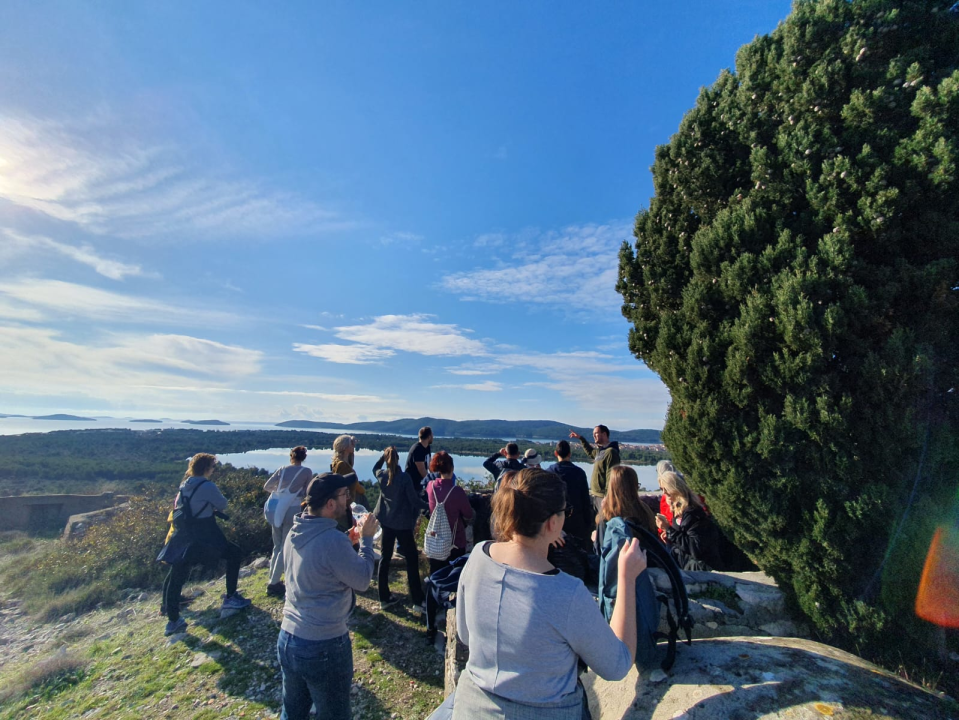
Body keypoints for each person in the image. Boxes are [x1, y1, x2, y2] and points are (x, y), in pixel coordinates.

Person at [450, 468, 647, 719]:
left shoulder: (478, 556)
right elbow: (617, 666)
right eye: (565, 512)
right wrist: (626, 579)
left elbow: (465, 634)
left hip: (472, 706)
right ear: (553, 523)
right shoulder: (566, 593)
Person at [278, 473, 380, 720]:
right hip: (323, 645)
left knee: (292, 712)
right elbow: (363, 580)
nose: (348, 499)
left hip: (289, 638)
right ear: (330, 504)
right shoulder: (331, 541)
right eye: (345, 495)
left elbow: (317, 562)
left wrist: (347, 542)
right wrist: (366, 541)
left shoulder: (295, 532)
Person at [162, 453, 251, 636]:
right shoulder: (207, 485)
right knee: (234, 553)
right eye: (212, 467)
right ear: (206, 468)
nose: (213, 470)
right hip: (206, 533)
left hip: (185, 535)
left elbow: (179, 506)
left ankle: (172, 619)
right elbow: (223, 504)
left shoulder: (184, 485)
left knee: (177, 573)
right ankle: (231, 597)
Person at [372, 446, 429, 610]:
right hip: (403, 524)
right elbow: (414, 501)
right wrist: (431, 505)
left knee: (385, 558)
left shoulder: (381, 475)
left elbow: (375, 468)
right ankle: (417, 601)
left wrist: (382, 458)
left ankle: (384, 598)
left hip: (387, 522)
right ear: (398, 460)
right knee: (411, 561)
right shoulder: (404, 478)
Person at [264, 446, 313, 598]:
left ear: (291, 456)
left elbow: (266, 486)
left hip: (275, 508)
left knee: (277, 545)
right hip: (291, 509)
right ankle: (274, 583)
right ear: (303, 457)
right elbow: (307, 492)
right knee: (285, 546)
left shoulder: (282, 469)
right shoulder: (306, 472)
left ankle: (272, 578)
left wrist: (280, 492)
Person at [655, 471, 724, 571]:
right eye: (662, 489)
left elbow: (694, 546)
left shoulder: (692, 512)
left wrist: (669, 529)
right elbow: (684, 539)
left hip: (700, 570)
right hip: (687, 565)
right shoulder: (679, 509)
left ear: (675, 488)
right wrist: (670, 538)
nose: (664, 493)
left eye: (666, 489)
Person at [569, 425, 621, 547]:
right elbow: (590, 452)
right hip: (596, 496)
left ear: (604, 434)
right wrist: (581, 438)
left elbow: (611, 477)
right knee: (598, 526)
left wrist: (608, 497)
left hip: (603, 497)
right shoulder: (600, 452)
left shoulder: (611, 452)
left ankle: (604, 550)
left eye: (596, 433)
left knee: (604, 525)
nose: (594, 436)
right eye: (593, 434)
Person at [425, 451, 474, 576]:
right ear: (452, 468)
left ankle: (433, 595)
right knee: (452, 578)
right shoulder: (457, 491)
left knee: (435, 577)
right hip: (454, 543)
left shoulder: (430, 486)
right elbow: (468, 514)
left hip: (435, 540)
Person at [596, 465, 658, 552]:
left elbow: (602, 551)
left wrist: (595, 540)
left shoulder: (607, 515)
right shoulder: (645, 511)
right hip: (644, 561)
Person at [545, 440, 594, 545]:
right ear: (570, 454)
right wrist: (588, 522)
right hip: (577, 521)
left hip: (555, 521)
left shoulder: (549, 472)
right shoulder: (579, 473)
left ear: (555, 453)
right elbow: (585, 499)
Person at [405, 426, 433, 494]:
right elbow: (422, 470)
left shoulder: (427, 447)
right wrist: (433, 483)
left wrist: (436, 477)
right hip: (412, 485)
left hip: (419, 484)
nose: (433, 437)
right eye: (432, 435)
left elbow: (430, 465)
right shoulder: (417, 449)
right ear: (429, 437)